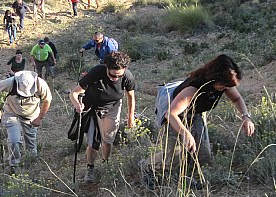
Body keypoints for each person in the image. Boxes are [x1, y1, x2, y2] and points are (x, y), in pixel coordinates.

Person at [143, 54, 255, 189]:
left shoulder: (224, 84)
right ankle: (147, 166)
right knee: (172, 159)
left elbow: (237, 99)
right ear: (215, 79)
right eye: (223, 86)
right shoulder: (194, 88)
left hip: (195, 113)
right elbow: (171, 114)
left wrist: (246, 117)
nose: (226, 89)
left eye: (228, 87)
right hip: (174, 114)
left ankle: (189, 179)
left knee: (203, 154)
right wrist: (186, 133)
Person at [69, 51, 135, 183]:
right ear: (106, 68)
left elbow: (131, 96)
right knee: (93, 142)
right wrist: (77, 105)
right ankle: (90, 167)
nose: (115, 78)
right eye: (112, 75)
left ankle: (105, 161)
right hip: (93, 108)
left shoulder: (127, 76)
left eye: (119, 75)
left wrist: (130, 117)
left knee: (108, 140)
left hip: (113, 108)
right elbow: (74, 93)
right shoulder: (96, 72)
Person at [0, 70, 52, 169]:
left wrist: (40, 118)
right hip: (11, 113)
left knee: (31, 143)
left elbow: (47, 101)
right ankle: (14, 165)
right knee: (14, 140)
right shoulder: (11, 82)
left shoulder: (41, 84)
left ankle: (31, 165)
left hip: (31, 115)